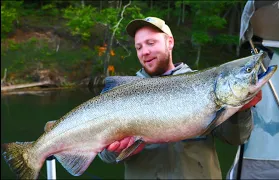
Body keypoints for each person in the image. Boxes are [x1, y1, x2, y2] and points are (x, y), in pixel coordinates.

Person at [98, 16, 262, 179]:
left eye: (151, 43)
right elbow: (105, 156)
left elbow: (235, 139)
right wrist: (117, 151)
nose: (145, 51)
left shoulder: (205, 85)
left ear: (170, 42)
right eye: (138, 47)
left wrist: (242, 111)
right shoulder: (123, 93)